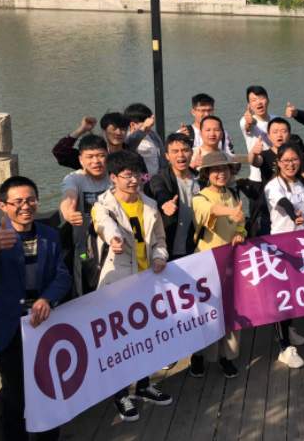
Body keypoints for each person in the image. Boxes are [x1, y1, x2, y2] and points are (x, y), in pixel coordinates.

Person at [0, 176, 71, 441]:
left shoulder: (48, 234)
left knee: (49, 384)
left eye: (31, 200)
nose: (26, 206)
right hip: (9, 326)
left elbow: (62, 275)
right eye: (18, 202)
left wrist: (47, 299)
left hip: (43, 321)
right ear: (3, 206)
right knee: (15, 391)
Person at [91, 151, 172, 422]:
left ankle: (144, 384)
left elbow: (159, 240)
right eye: (128, 175)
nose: (134, 180)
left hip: (146, 280)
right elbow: (105, 225)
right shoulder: (102, 206)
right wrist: (114, 239)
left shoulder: (149, 204)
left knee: (145, 336)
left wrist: (159, 256)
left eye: (138, 175)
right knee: (119, 341)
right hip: (118, 284)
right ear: (113, 177)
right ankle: (120, 393)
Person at [190, 152, 247, 378]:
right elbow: (210, 211)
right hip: (206, 263)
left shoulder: (232, 194)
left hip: (230, 262)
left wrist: (241, 232)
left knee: (230, 310)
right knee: (205, 312)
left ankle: (227, 356)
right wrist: (231, 212)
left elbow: (241, 221)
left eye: (224, 169)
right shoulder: (199, 197)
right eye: (215, 170)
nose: (221, 173)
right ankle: (198, 355)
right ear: (206, 173)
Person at [265, 144, 304, 367]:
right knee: (282, 297)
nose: (290, 164)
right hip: (282, 247)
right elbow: (284, 204)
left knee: (294, 294)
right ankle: (284, 348)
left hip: (302, 245)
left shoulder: (302, 183)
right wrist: (294, 216)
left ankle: (290, 329)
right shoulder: (273, 186)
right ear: (278, 163)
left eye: (294, 159)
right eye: (285, 161)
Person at [59, 135, 111, 297]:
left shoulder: (116, 177)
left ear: (108, 155)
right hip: (85, 252)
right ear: (81, 159)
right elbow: (68, 197)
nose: (96, 161)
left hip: (115, 249)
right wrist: (68, 212)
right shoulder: (74, 179)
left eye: (100, 155)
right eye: (90, 157)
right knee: (88, 297)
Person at [148, 133, 199, 263]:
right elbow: (159, 191)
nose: (180, 155)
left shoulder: (202, 180)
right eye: (175, 151)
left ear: (191, 153)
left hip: (197, 250)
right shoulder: (160, 178)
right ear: (167, 156)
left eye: (185, 150)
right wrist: (165, 203)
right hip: (167, 251)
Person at [240, 85, 278, 237]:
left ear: (268, 100)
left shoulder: (276, 120)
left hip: (277, 176)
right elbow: (249, 126)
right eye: (254, 100)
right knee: (257, 218)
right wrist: (251, 121)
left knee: (278, 215)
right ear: (249, 105)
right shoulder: (245, 120)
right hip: (257, 179)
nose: (258, 102)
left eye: (261, 98)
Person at [52, 112, 131, 170]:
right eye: (113, 129)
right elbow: (60, 152)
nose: (118, 133)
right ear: (104, 132)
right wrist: (82, 129)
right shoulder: (91, 158)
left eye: (122, 129)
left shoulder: (132, 156)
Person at [124, 102, 168, 179]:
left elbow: (163, 158)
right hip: (139, 181)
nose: (148, 128)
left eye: (150, 125)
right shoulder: (126, 139)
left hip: (157, 180)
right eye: (145, 125)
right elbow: (130, 143)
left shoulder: (153, 135)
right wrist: (143, 129)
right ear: (132, 125)